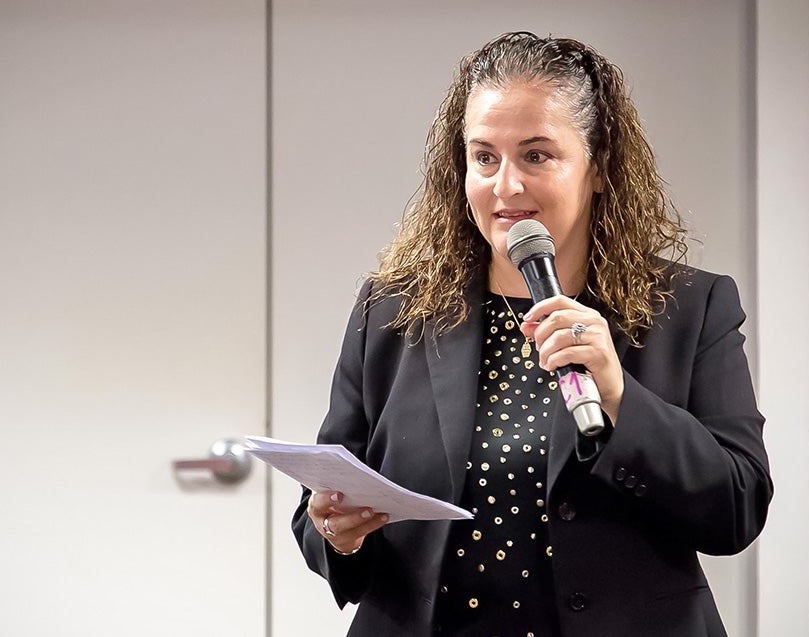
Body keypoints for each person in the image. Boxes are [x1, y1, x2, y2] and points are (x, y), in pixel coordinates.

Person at [292, 31, 772, 637]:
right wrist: (336, 533)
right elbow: (324, 508)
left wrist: (622, 396)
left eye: (537, 155)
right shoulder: (393, 311)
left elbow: (737, 507)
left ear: (598, 169)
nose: (505, 186)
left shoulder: (689, 308)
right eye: (484, 157)